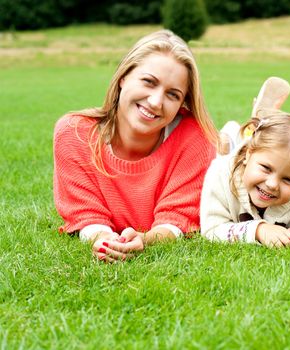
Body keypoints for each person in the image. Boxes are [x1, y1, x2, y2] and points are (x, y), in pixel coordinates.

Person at [53, 30, 217, 262]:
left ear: (182, 103)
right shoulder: (73, 134)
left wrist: (146, 239)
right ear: (124, 77)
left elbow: (177, 217)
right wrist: (103, 238)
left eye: (173, 94)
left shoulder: (196, 138)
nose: (155, 102)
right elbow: (85, 213)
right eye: (149, 82)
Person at [200, 111, 290, 247]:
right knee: (222, 146)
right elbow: (211, 230)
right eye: (266, 168)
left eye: (288, 180)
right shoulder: (220, 173)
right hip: (230, 154)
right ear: (249, 154)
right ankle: (232, 135)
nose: (272, 184)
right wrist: (259, 230)